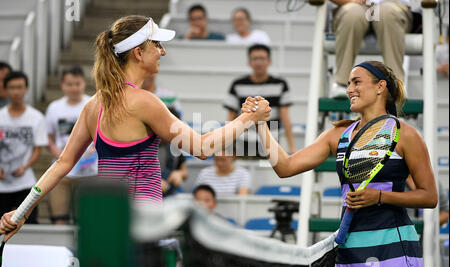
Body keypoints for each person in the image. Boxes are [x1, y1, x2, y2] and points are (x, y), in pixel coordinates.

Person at [0, 16, 270, 240]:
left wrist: (21, 212)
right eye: (157, 45)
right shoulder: (145, 102)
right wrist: (248, 119)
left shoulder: (93, 104)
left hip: (107, 225)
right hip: (142, 226)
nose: (163, 51)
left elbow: (62, 163)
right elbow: (201, 148)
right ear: (139, 52)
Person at [244, 61, 438, 267]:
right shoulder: (336, 135)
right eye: (348, 83)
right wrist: (260, 125)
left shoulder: (407, 135)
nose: (349, 90)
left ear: (380, 86)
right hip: (349, 247)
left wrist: (381, 197)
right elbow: (285, 167)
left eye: (357, 82)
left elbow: (429, 196)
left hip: (394, 246)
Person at [45, 65, 97, 224]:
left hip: (89, 172)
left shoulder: (93, 103)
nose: (74, 88)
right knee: (59, 218)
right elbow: (49, 137)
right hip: (62, 173)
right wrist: (58, 154)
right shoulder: (54, 108)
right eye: (69, 84)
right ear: (62, 85)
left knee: (87, 220)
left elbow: (102, 134)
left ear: (84, 83)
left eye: (77, 83)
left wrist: (92, 149)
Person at [329, 0, 412, 98]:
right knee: (351, 14)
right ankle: (341, 83)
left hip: (393, 5)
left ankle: (395, 86)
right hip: (354, 5)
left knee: (388, 14)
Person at [224, 44, 295, 157]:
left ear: (269, 61)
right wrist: (227, 145)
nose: (258, 62)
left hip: (271, 141)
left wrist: (291, 146)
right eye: (255, 59)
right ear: (249, 62)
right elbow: (231, 117)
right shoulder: (237, 84)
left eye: (262, 58)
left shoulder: (280, 84)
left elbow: (285, 117)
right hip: (243, 143)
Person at [0, 71, 48, 224]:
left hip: (25, 183)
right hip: (2, 184)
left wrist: (25, 166)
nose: (16, 92)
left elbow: (37, 149)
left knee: (30, 224)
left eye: (20, 87)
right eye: (12, 88)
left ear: (26, 88)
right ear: (6, 90)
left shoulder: (36, 117)